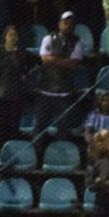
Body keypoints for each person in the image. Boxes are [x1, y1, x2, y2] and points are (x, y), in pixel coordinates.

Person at [36, 10, 83, 142]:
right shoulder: (48, 38)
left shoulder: (77, 42)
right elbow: (44, 59)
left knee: (63, 130)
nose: (68, 25)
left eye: (71, 23)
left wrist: (54, 59)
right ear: (59, 24)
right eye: (65, 22)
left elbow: (73, 64)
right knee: (40, 129)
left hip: (65, 93)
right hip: (45, 91)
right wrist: (64, 61)